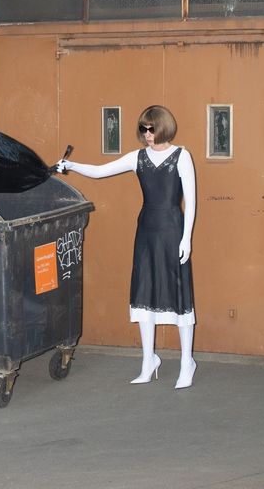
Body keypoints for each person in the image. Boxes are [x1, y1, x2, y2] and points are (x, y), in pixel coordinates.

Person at [57, 105, 196, 389]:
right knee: (144, 290)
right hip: (146, 230)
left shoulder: (182, 156)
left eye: (152, 128)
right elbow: (99, 171)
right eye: (143, 129)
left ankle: (187, 362)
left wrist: (187, 239)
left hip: (172, 229)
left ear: (164, 127)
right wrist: (71, 166)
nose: (147, 134)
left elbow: (190, 202)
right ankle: (148, 360)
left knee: (179, 292)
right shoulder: (138, 158)